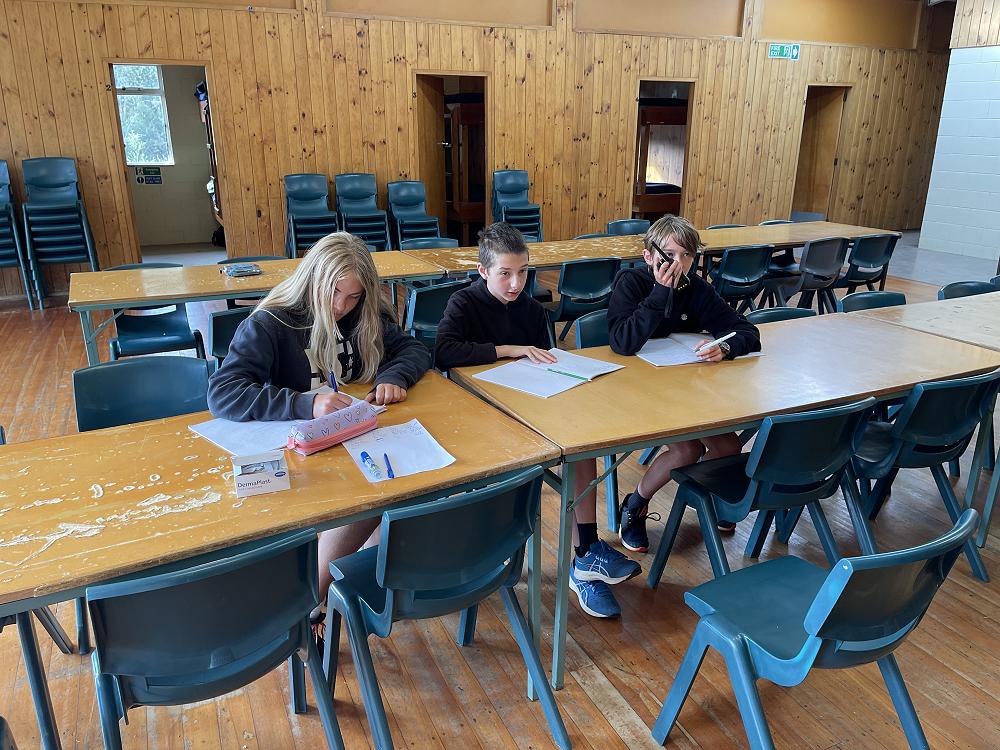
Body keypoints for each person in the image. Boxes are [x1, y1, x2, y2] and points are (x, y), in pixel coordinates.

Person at [208, 231, 432, 599]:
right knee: (374, 498)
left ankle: (349, 585)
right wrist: (305, 404)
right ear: (313, 280)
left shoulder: (362, 315)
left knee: (394, 487)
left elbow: (414, 349)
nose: (342, 306)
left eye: (354, 296)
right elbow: (222, 393)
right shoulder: (271, 324)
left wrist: (394, 376)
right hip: (300, 455)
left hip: (349, 441)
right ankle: (312, 599)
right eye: (335, 292)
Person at [436, 222, 640, 618]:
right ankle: (496, 557)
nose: (516, 284)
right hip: (480, 417)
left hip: (531, 407)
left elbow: (546, 361)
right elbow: (444, 352)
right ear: (482, 271)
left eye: (523, 272)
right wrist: (508, 349)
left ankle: (586, 554)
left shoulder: (530, 309)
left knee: (582, 447)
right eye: (505, 274)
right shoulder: (464, 303)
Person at [608, 214, 761, 553]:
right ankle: (635, 504)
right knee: (687, 449)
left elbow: (746, 331)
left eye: (687, 255)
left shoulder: (696, 288)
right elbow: (622, 342)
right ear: (649, 256)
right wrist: (660, 293)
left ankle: (704, 498)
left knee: (728, 445)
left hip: (685, 390)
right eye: (670, 254)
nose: (678, 263)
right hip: (634, 389)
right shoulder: (631, 283)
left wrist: (726, 346)